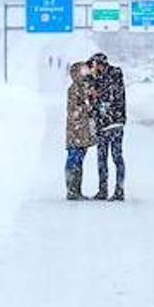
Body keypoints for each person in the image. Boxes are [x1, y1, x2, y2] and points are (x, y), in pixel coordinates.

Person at [88, 53, 126, 201]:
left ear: (100, 64)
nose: (93, 68)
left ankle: (118, 190)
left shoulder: (113, 75)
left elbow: (111, 95)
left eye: (94, 64)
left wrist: (96, 92)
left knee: (115, 157)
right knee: (102, 158)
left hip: (113, 123)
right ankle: (104, 190)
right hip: (104, 124)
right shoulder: (98, 79)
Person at [65, 62, 97, 200]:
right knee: (74, 159)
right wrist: (87, 108)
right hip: (76, 131)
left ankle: (76, 189)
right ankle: (72, 189)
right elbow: (75, 110)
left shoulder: (85, 88)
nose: (85, 74)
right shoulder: (74, 89)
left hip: (83, 132)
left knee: (79, 160)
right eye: (82, 71)